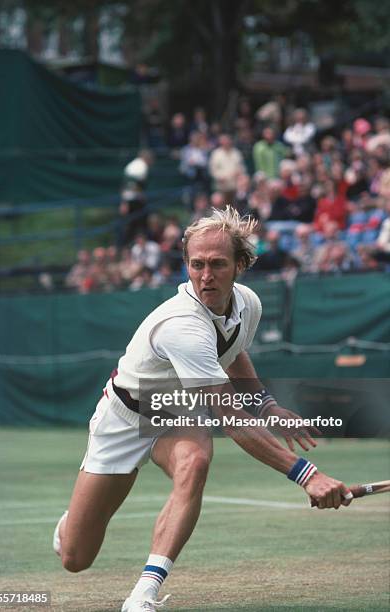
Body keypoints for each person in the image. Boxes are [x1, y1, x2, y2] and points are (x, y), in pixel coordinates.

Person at [53, 208, 353, 612]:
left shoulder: (247, 303)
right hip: (124, 419)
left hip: (177, 411)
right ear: (186, 265)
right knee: (76, 558)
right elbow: (230, 418)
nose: (206, 275)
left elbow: (234, 352)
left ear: (240, 266)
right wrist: (307, 475)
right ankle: (71, 523)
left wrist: (265, 405)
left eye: (217, 264)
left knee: (196, 461)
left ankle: (143, 594)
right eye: (196, 265)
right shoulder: (181, 325)